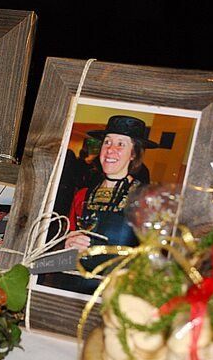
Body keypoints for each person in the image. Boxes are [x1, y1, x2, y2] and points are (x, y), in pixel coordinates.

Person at [51, 115, 158, 293]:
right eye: (107, 142)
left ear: (133, 154)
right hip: (70, 289)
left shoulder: (146, 200)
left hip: (114, 295)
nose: (110, 149)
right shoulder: (82, 195)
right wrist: (67, 244)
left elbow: (155, 258)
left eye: (121, 144)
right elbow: (61, 243)